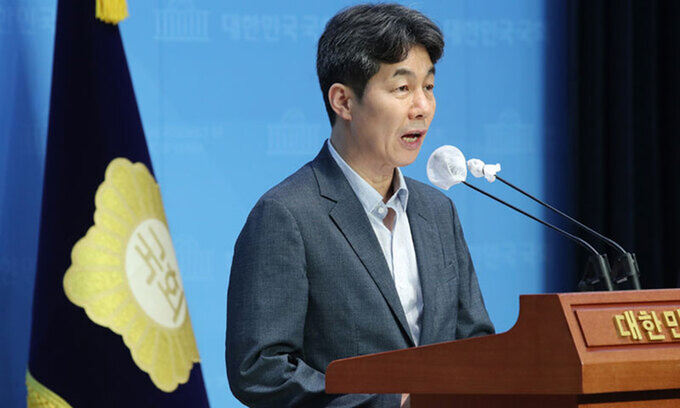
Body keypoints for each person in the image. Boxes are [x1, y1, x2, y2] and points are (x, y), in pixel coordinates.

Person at [226, 4, 494, 407]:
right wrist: (392, 404)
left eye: (429, 87)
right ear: (344, 101)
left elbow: (475, 342)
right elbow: (261, 370)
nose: (422, 107)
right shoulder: (286, 215)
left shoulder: (438, 211)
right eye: (402, 88)